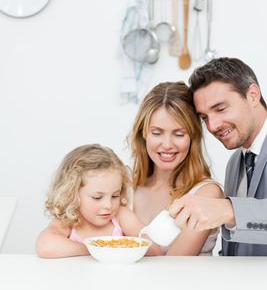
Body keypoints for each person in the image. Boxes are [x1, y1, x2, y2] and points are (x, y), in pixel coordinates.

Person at [169, 57, 267, 256]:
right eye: (204, 117)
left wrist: (228, 210)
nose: (212, 126)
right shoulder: (234, 164)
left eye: (220, 109)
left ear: (253, 95)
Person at [129, 81, 223, 256]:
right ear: (143, 134)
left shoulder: (206, 194)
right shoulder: (128, 188)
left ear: (193, 137)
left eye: (179, 134)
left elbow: (172, 267)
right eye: (156, 133)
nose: (167, 145)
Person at [36, 144, 160, 258]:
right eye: (97, 197)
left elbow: (154, 248)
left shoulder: (121, 216)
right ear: (72, 195)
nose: (108, 205)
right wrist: (95, 249)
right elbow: (45, 246)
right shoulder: (69, 221)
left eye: (115, 196)